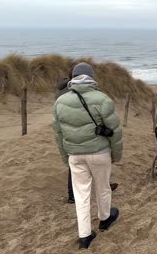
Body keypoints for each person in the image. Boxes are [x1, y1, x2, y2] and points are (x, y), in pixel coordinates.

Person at [53, 62, 123, 249]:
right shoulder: (102, 99)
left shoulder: (60, 102)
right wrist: (116, 155)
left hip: (75, 155)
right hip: (99, 153)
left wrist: (64, 157)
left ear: (73, 78)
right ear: (91, 77)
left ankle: (85, 236)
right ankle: (105, 218)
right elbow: (115, 131)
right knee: (103, 188)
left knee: (81, 194)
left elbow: (58, 134)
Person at [55, 70, 118, 205]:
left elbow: (58, 126)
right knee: (96, 164)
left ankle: (73, 195)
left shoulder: (63, 91)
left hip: (71, 135)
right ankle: (77, 194)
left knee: (76, 166)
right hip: (88, 135)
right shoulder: (73, 91)